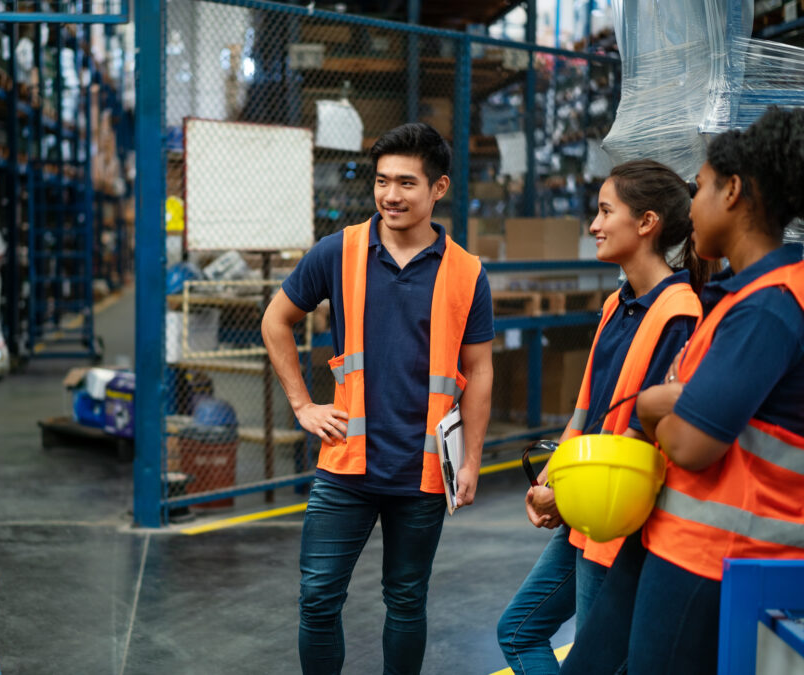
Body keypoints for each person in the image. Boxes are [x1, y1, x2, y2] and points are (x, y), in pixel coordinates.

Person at [559, 107, 804, 675]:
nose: (689, 207)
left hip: (716, 554)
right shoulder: (737, 298)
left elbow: (691, 442)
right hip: (670, 536)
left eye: (700, 188)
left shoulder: (770, 307)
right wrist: (665, 405)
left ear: (734, 192)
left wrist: (651, 406)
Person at [261, 122, 494, 674]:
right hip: (346, 465)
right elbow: (276, 321)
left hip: (423, 471)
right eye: (383, 181)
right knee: (318, 598)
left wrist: (473, 459)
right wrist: (302, 405)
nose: (391, 195)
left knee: (407, 602)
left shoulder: (466, 273)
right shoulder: (337, 253)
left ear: (438, 189)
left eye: (407, 183)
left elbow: (479, 369)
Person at [497, 160, 709, 674]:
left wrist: (570, 496)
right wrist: (552, 480)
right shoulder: (618, 304)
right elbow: (585, 412)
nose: (593, 224)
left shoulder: (679, 316)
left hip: (621, 516)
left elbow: (650, 443)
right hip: (587, 507)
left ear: (646, 223)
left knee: (595, 663)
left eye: (605, 211)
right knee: (518, 631)